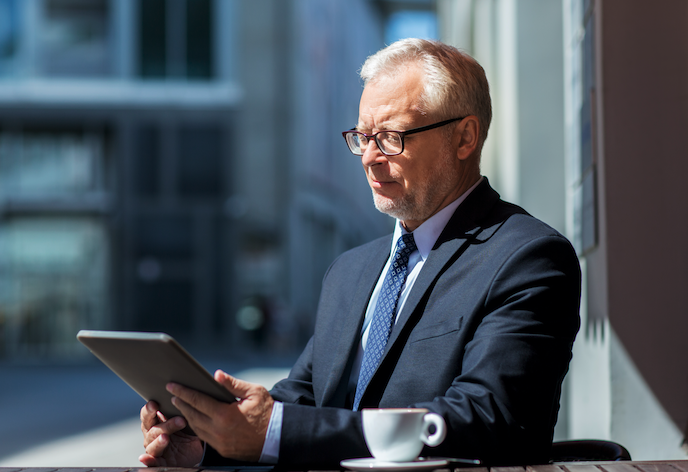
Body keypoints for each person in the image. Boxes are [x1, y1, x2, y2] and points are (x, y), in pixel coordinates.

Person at [140, 38, 581, 469]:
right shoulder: (350, 271)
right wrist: (208, 440)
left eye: (390, 137)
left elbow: (490, 420)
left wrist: (275, 431)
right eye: (363, 136)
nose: (369, 157)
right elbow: (305, 399)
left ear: (464, 137)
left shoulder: (527, 258)